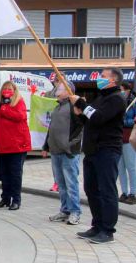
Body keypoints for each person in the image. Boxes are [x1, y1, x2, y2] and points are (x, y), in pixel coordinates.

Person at [70, 68, 126, 244]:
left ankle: (107, 230)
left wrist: (82, 104)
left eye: (103, 76)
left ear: (113, 80)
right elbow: (88, 120)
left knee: (106, 190)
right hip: (92, 150)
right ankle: (97, 225)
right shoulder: (100, 97)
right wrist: (79, 113)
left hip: (107, 150)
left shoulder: (116, 99)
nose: (99, 79)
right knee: (91, 189)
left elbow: (99, 118)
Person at [42, 80, 83, 226]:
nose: (57, 89)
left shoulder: (74, 107)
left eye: (61, 87)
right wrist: (46, 146)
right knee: (61, 183)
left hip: (68, 152)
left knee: (71, 183)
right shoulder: (56, 107)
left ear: (68, 91)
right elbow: (51, 128)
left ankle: (75, 212)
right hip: (56, 151)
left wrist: (69, 145)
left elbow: (80, 129)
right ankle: (65, 210)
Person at [0, 81, 31, 211]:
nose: (6, 90)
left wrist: (2, 108)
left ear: (14, 90)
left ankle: (16, 200)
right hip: (2, 146)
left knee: (15, 174)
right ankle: (5, 198)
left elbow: (19, 116)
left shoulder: (18, 102)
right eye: (4, 88)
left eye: (9, 88)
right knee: (4, 173)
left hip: (16, 145)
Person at [118, 81, 136, 205]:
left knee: (131, 167)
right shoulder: (118, 103)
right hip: (118, 139)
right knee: (120, 168)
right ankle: (124, 192)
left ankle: (133, 193)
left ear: (127, 90)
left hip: (129, 138)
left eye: (122, 90)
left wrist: (125, 121)